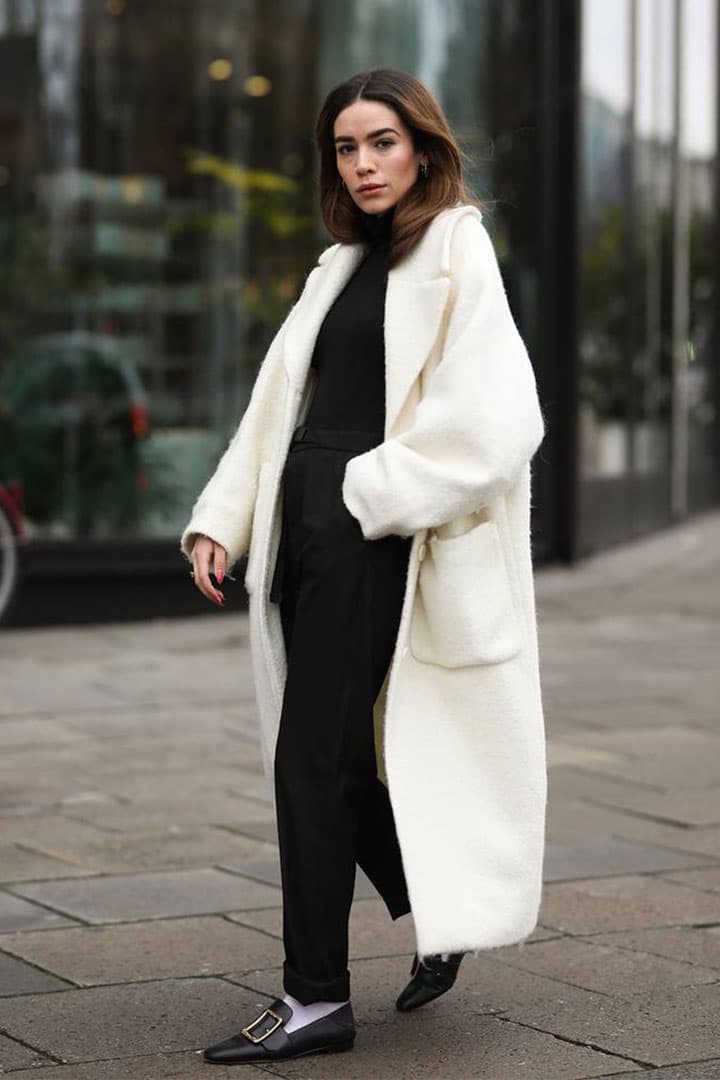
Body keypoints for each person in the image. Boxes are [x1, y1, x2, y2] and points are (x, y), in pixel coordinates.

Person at [181, 67, 546, 1067]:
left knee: (311, 755)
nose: (364, 163)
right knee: (337, 752)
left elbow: (500, 421)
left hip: (371, 531)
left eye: (381, 141)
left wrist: (369, 493)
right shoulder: (340, 266)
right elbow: (273, 414)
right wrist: (227, 519)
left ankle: (314, 1001)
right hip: (306, 529)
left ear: (421, 145)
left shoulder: (456, 247)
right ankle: (438, 903)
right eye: (346, 147)